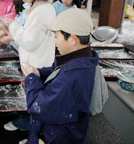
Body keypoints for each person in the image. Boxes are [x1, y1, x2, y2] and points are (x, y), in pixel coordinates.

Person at [21, 8, 108, 144]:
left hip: (56, 136)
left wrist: (31, 78)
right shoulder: (84, 59)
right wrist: (40, 73)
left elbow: (38, 106)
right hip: (70, 129)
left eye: (56, 36)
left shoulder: (70, 78)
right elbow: (57, 70)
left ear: (73, 39)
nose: (54, 41)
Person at [1, 0, 56, 139]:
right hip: (36, 61)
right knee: (34, 98)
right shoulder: (41, 7)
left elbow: (29, 41)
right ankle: (32, 130)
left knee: (36, 100)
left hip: (38, 64)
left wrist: (13, 25)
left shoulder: (42, 11)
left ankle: (35, 136)